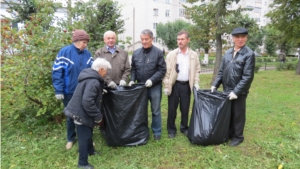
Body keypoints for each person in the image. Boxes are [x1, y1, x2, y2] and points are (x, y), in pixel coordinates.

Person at [211, 27, 255, 147]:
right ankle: (230, 133)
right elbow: (221, 72)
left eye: (243, 37)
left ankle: (238, 137)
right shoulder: (228, 53)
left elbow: (247, 76)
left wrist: (236, 92)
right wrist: (215, 85)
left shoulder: (249, 54)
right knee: (229, 113)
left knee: (238, 114)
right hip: (227, 90)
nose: (240, 39)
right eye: (237, 37)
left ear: (246, 38)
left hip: (239, 92)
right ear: (233, 38)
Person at [64, 58, 111, 169]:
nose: (107, 73)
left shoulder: (91, 76)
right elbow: (87, 102)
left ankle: (91, 150)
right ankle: (82, 163)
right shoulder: (93, 81)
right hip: (80, 113)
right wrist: (98, 116)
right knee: (84, 138)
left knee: (88, 132)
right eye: (106, 70)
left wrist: (100, 92)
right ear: (101, 69)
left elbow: (88, 94)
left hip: (83, 111)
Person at [52, 30, 93, 150]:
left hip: (85, 91)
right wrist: (58, 90)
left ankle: (86, 138)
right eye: (84, 42)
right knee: (70, 116)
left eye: (86, 42)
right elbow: (57, 72)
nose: (86, 45)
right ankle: (71, 138)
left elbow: (93, 71)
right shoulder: (64, 52)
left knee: (86, 115)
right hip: (69, 91)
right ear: (77, 41)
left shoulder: (87, 54)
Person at [128, 29, 166, 141]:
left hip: (154, 86)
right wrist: (132, 79)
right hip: (140, 87)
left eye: (146, 39)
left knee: (155, 110)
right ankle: (142, 130)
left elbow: (162, 70)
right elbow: (133, 69)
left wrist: (152, 80)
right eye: (142, 39)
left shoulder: (158, 52)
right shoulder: (136, 53)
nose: (144, 42)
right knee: (141, 110)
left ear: (152, 39)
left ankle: (157, 132)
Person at [163, 31, 201, 139]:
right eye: (178, 39)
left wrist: (196, 82)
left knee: (185, 108)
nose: (180, 41)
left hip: (186, 86)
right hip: (174, 85)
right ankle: (171, 129)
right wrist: (166, 85)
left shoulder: (193, 55)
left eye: (182, 39)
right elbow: (166, 72)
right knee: (172, 108)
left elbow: (197, 69)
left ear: (188, 40)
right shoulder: (172, 54)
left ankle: (184, 127)